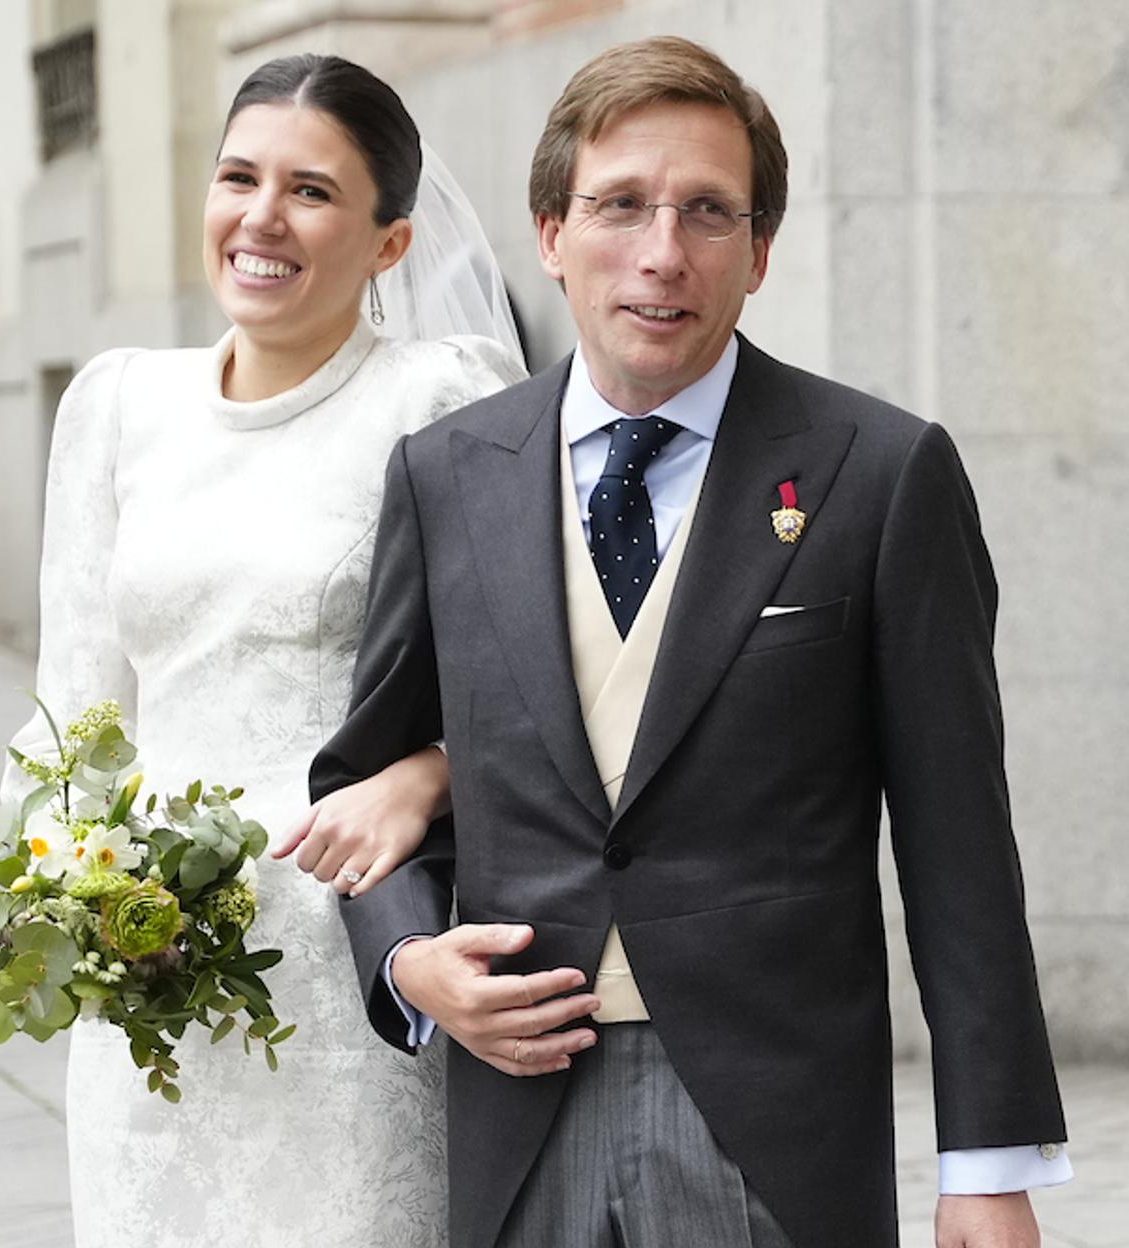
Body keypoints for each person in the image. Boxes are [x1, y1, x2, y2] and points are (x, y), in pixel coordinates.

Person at [311, 36, 1071, 1248]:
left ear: (759, 252)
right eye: (620, 205)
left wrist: (985, 1162)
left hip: (774, 1123)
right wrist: (407, 959)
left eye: (709, 212)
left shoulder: (878, 473)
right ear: (551, 233)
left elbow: (959, 841)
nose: (663, 253)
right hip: (519, 1112)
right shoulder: (448, 475)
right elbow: (368, 774)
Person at [2, 53, 523, 1248]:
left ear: (391, 243)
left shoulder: (436, 400)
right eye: (239, 176)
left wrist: (430, 770)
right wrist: (64, 895)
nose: (261, 218)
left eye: (313, 191)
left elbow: (529, 678)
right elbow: (70, 711)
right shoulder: (118, 406)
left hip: (353, 965)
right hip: (150, 980)